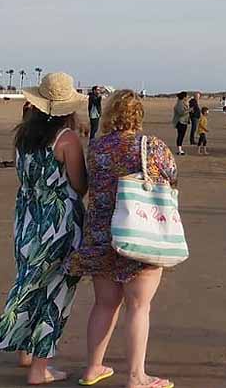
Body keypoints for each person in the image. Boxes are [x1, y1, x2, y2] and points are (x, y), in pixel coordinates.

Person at [0, 72, 88, 385]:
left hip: (26, 219)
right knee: (55, 293)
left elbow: (25, 179)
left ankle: (26, 353)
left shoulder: (23, 136)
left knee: (30, 281)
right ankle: (39, 369)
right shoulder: (67, 139)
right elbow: (79, 185)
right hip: (59, 224)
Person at [67, 90, 177, 388]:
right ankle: (136, 376)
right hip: (140, 233)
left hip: (101, 233)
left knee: (104, 304)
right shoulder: (151, 145)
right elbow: (171, 177)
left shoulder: (97, 147)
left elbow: (90, 184)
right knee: (139, 307)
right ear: (138, 114)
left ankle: (93, 367)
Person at [172, 91, 189, 156]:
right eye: (186, 96)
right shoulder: (180, 103)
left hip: (184, 121)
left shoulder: (182, 102)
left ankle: (180, 149)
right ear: (184, 97)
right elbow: (181, 113)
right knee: (180, 136)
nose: (187, 97)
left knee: (181, 136)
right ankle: (179, 150)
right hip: (180, 122)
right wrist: (189, 110)